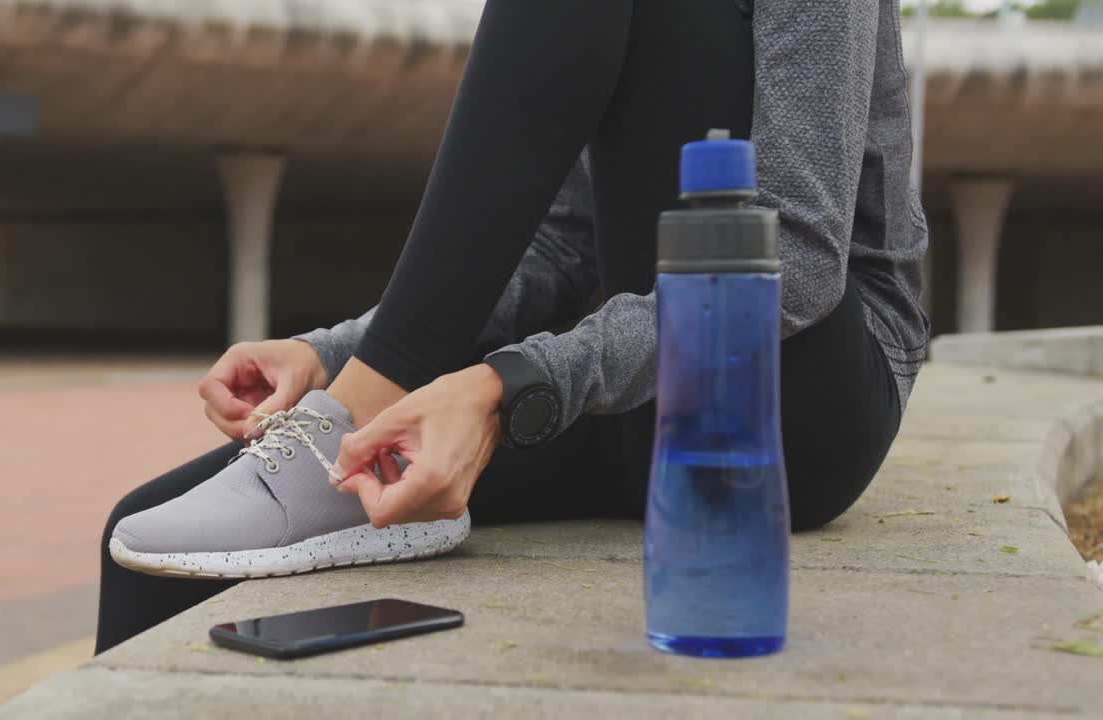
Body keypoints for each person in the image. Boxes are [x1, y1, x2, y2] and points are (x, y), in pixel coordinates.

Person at [95, 0, 929, 654]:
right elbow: (567, 247)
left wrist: (511, 387)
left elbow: (800, 259)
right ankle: (346, 409)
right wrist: (332, 351)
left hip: (795, 401)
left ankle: (341, 430)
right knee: (146, 541)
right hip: (630, 390)